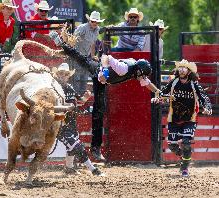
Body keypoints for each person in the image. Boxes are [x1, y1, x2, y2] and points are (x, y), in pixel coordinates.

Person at [49, 31, 159, 160]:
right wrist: (105, 74)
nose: (143, 77)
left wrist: (158, 92)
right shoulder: (124, 68)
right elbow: (106, 58)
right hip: (99, 72)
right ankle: (95, 148)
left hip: (103, 78)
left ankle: (96, 148)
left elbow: (148, 83)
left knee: (81, 59)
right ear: (139, 70)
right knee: (99, 110)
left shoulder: (135, 70)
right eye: (143, 74)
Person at [151, 59, 212, 177]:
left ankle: (184, 168)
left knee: (186, 142)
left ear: (189, 71)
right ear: (178, 70)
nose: (182, 69)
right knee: (172, 146)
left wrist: (207, 107)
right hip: (174, 119)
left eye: (185, 68)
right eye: (181, 67)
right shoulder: (173, 82)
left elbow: (204, 97)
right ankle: (185, 157)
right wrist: (157, 98)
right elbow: (163, 93)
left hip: (190, 119)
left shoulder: (194, 84)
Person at [52, 63, 104, 176]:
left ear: (68, 76)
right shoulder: (54, 88)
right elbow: (56, 105)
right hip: (60, 123)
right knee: (76, 145)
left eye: (65, 74)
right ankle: (93, 169)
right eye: (60, 74)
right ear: (57, 75)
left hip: (71, 122)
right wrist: (69, 106)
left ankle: (69, 168)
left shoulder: (69, 87)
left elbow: (78, 102)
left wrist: (85, 98)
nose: (62, 76)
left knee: (71, 146)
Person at [70, 11, 105, 96]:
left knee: (84, 77)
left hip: (85, 56)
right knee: (76, 77)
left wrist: (93, 56)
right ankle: (76, 97)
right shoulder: (83, 27)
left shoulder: (97, 30)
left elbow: (93, 43)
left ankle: (81, 97)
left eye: (96, 21)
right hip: (76, 55)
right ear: (89, 21)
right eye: (93, 21)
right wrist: (73, 54)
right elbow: (72, 39)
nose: (94, 23)